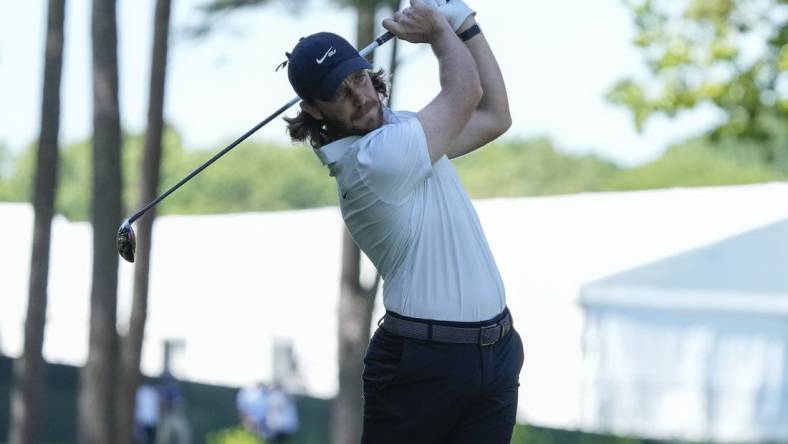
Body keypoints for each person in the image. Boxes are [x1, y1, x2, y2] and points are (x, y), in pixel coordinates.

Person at [283, 0, 524, 442]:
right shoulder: (374, 160)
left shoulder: (406, 134)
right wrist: (439, 28)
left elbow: (494, 116)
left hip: (496, 351)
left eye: (358, 78)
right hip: (422, 364)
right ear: (315, 111)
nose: (359, 96)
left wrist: (465, 24)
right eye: (340, 93)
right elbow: (466, 93)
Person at [134, 380, 159, 444]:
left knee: (149, 439)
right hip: (143, 420)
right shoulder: (142, 391)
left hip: (149, 420)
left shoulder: (153, 392)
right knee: (141, 439)